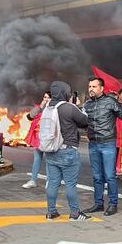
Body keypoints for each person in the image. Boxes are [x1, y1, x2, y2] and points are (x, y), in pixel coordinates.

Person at [44, 81, 91, 221]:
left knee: (52, 182)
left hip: (51, 150)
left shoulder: (48, 107)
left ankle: (51, 212)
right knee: (70, 184)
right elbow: (85, 121)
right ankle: (75, 214)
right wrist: (76, 105)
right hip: (67, 150)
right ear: (66, 92)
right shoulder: (69, 108)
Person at [82, 77, 122, 216]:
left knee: (109, 176)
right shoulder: (87, 104)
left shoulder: (110, 101)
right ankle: (98, 204)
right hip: (93, 143)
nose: (91, 89)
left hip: (108, 143)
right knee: (97, 176)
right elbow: (83, 121)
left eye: (94, 86)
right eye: (90, 86)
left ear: (102, 88)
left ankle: (113, 204)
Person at [22, 91, 51, 189]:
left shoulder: (53, 109)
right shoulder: (39, 108)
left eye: (47, 97)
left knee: (49, 160)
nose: (45, 99)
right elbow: (30, 116)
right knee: (37, 159)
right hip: (38, 138)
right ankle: (33, 180)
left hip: (48, 138)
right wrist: (40, 107)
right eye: (44, 97)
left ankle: (49, 182)